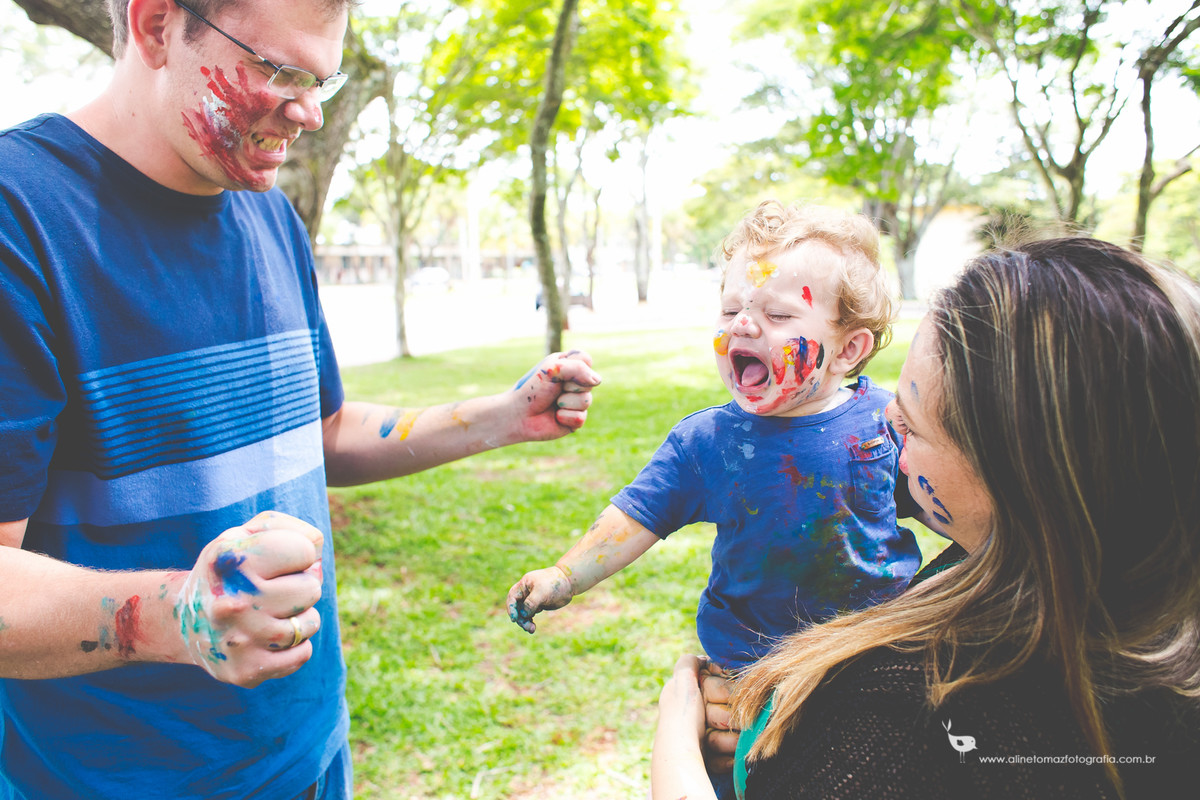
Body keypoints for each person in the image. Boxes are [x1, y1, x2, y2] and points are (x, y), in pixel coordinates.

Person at [0, 1, 600, 798]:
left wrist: (498, 417)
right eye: (280, 72)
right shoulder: (21, 216)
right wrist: (181, 613)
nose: (311, 112)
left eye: (322, 79)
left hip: (310, 754)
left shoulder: (270, 214)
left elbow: (315, 432)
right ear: (152, 26)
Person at [651, 237, 1200, 799]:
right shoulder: (1133, 604)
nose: (884, 415)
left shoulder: (901, 728)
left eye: (911, 424)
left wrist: (677, 722)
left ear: (1016, 473)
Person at [507, 201, 932, 792]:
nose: (742, 325)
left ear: (850, 349)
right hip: (746, 676)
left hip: (872, 658)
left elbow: (953, 501)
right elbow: (637, 515)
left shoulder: (886, 423)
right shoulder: (707, 441)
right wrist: (564, 575)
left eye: (779, 314)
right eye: (731, 308)